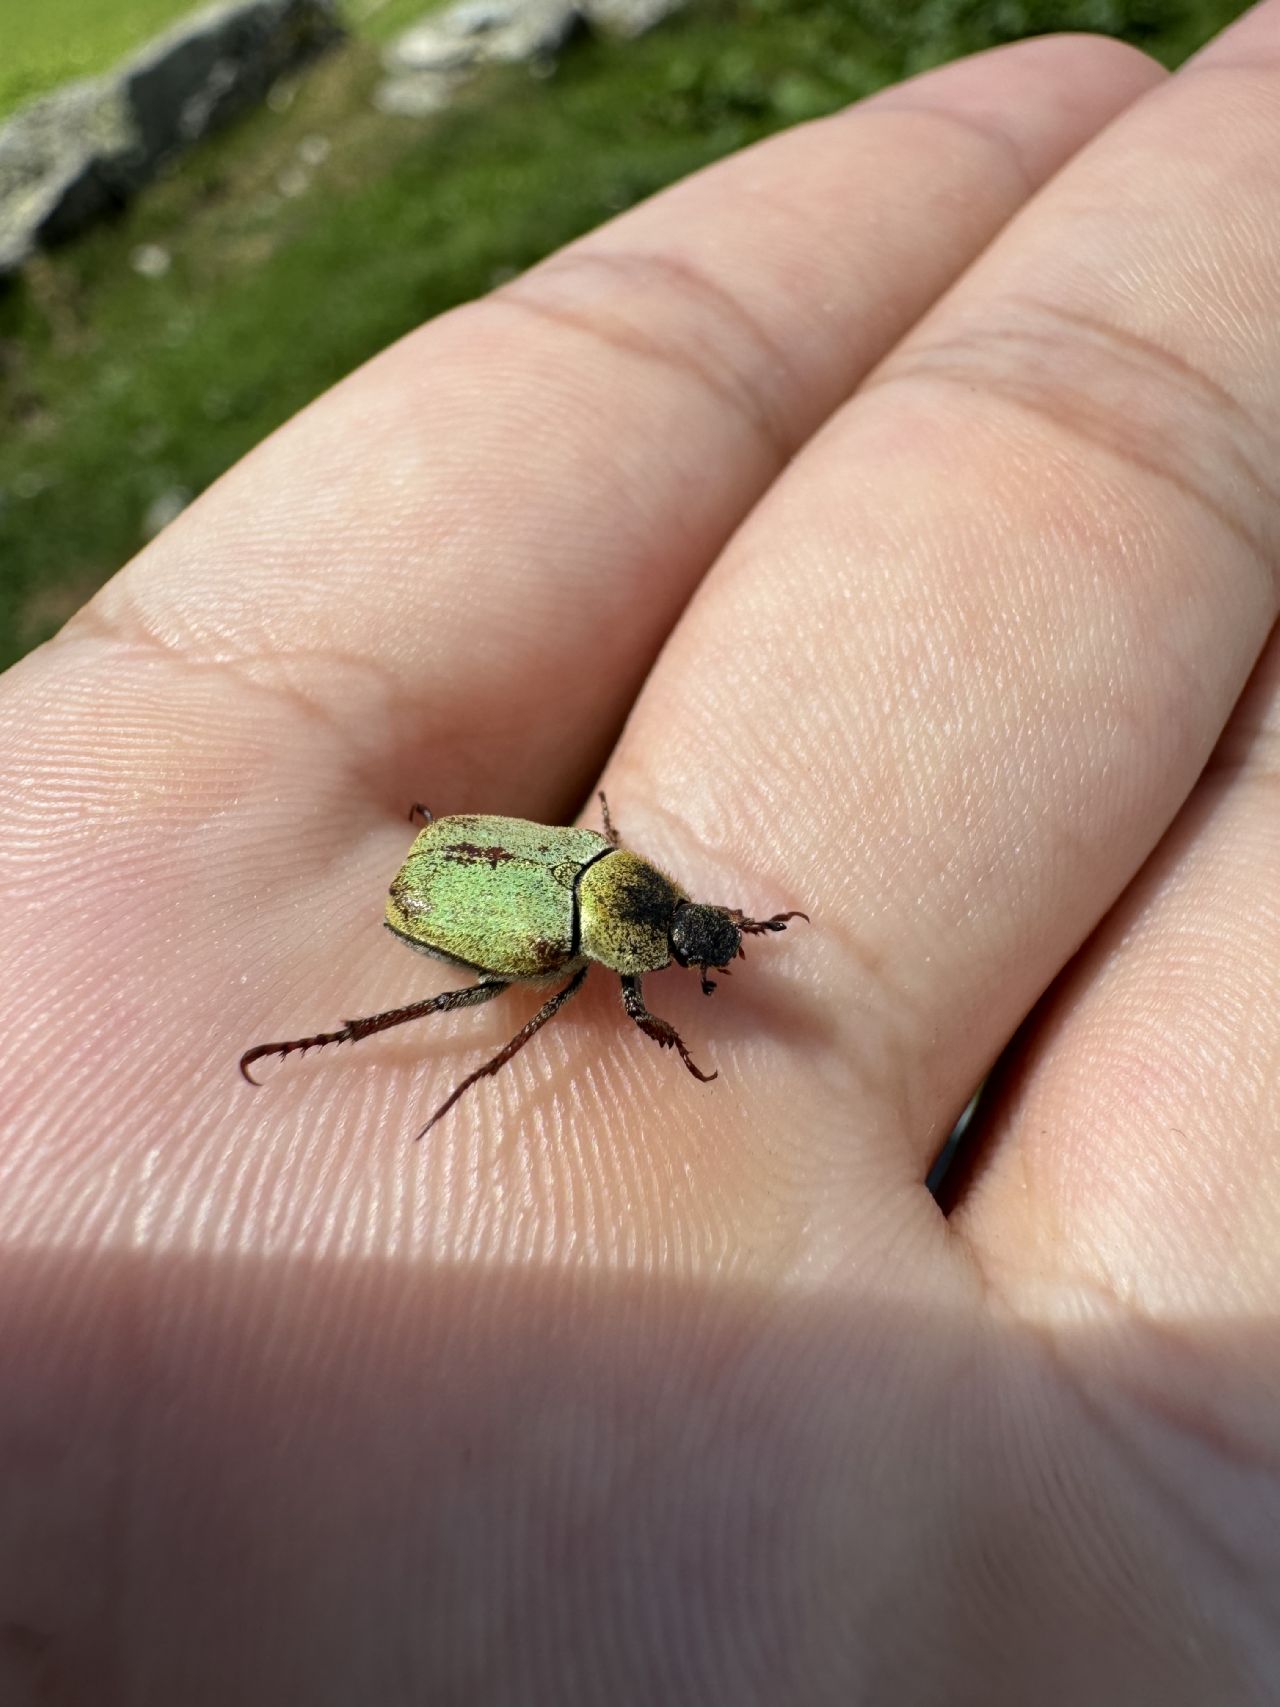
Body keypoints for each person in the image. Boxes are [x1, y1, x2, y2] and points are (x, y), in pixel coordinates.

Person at [1, 8, 1276, 1700]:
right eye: (675, 952)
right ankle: (346, 1047)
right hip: (455, 891)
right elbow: (558, 915)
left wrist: (691, 931)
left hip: (475, 857)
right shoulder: (573, 953)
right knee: (498, 1015)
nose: (683, 955)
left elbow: (621, 897)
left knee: (541, 996)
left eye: (680, 945)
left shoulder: (632, 897)